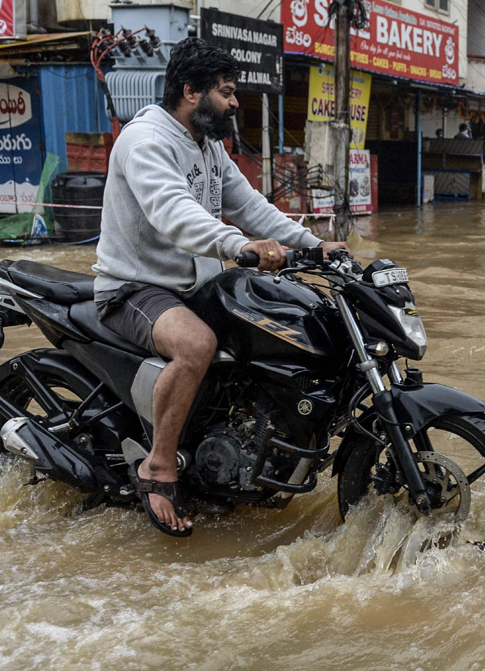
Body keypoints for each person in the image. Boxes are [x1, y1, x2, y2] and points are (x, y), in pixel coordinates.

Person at [93, 38, 349, 537]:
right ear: (191, 91)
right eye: (227, 92)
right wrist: (239, 246)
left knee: (270, 318)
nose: (235, 103)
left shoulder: (207, 145)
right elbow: (174, 213)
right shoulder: (145, 140)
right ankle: (159, 466)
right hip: (135, 287)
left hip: (192, 284)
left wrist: (313, 245)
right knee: (196, 345)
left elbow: (251, 204)